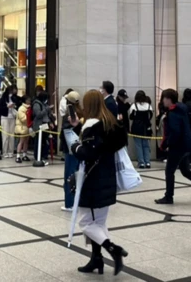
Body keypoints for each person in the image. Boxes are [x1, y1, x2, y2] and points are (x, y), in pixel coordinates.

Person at [69, 90, 129, 276]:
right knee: (99, 222)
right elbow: (99, 145)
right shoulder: (109, 123)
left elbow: (89, 152)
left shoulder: (92, 125)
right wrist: (78, 127)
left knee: (86, 223)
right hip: (107, 177)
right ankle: (97, 259)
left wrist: (74, 146)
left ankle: (113, 249)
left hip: (93, 180)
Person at [155, 89, 191, 205]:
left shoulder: (173, 113)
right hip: (186, 145)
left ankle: (168, 196)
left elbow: (175, 132)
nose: (163, 101)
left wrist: (167, 143)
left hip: (177, 147)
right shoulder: (181, 110)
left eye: (164, 98)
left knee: (169, 171)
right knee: (186, 171)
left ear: (168, 99)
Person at [59, 91, 83, 211]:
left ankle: (70, 203)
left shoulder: (68, 115)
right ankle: (78, 201)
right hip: (80, 148)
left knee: (69, 175)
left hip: (70, 149)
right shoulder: (82, 113)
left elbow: (65, 132)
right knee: (78, 174)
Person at [129, 90, 153, 169]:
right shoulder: (149, 105)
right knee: (146, 145)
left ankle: (141, 162)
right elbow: (150, 116)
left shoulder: (134, 105)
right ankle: (148, 162)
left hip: (136, 128)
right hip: (146, 128)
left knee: (138, 145)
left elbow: (131, 117)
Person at [33, 90, 54, 165]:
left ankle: (43, 156)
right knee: (39, 141)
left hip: (45, 124)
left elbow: (47, 115)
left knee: (45, 142)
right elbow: (38, 114)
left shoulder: (45, 104)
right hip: (39, 125)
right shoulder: (37, 104)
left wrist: (50, 122)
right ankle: (38, 157)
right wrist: (47, 109)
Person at [0, 86, 19, 158]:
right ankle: (5, 152)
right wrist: (7, 107)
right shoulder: (3, 99)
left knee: (11, 135)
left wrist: (14, 106)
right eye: (10, 91)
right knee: (5, 135)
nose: (11, 93)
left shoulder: (14, 98)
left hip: (12, 117)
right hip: (5, 118)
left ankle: (11, 151)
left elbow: (17, 105)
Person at [15, 95, 32, 163]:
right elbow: (23, 119)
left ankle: (24, 155)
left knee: (26, 142)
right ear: (25, 100)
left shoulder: (30, 108)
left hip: (27, 127)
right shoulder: (21, 108)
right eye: (28, 100)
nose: (29, 101)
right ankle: (18, 156)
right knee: (21, 142)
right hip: (22, 127)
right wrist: (29, 116)